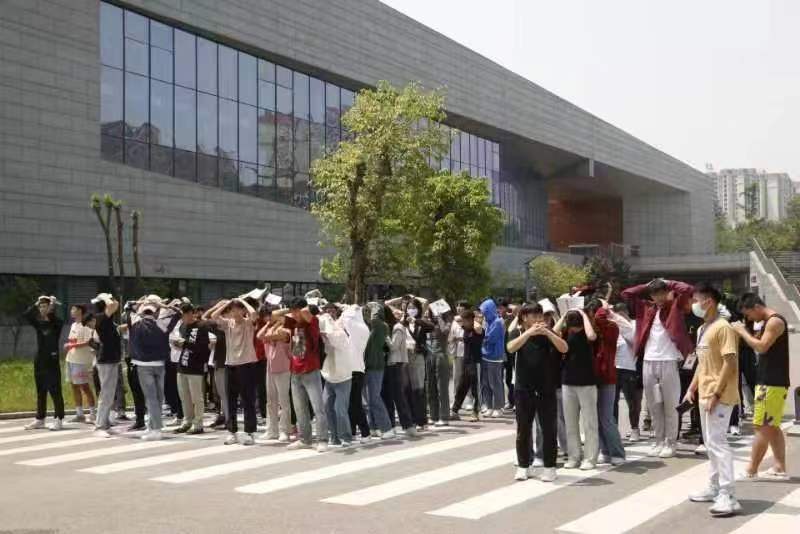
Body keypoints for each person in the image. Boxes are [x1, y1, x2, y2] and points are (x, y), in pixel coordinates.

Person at [684, 283, 741, 516]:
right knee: (710, 444)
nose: (693, 304)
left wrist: (716, 393)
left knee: (718, 443)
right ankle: (714, 487)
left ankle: (729, 494)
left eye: (696, 299)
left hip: (721, 395)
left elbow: (730, 362)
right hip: (705, 394)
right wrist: (691, 388)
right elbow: (702, 363)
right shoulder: (702, 329)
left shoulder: (723, 327)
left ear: (708, 301)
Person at [622, 279, 695, 458]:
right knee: (655, 406)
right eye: (655, 294)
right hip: (648, 361)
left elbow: (687, 289)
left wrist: (668, 282)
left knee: (671, 405)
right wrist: (647, 285)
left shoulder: (675, 306)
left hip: (669, 361)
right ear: (651, 295)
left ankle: (671, 443)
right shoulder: (646, 308)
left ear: (667, 292)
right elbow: (627, 293)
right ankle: (658, 441)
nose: (659, 297)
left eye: (662, 293)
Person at [732, 293, 791, 481]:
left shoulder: (774, 322)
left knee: (761, 427)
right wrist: (747, 329)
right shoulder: (768, 322)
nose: (749, 318)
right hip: (770, 381)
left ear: (757, 307)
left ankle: (751, 469)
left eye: (748, 314)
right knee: (771, 426)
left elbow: (762, 347)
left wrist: (742, 331)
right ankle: (779, 467)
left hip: (771, 382)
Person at [507, 303, 568, 482]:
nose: (538, 319)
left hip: (546, 388)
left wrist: (548, 333)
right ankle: (523, 466)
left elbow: (564, 348)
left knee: (548, 429)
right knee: (523, 430)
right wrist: (528, 333)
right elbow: (510, 348)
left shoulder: (548, 333)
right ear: (524, 317)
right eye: (533, 316)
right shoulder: (517, 332)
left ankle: (550, 467)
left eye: (539, 315)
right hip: (523, 389)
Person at [127, 296, 181, 441]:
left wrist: (141, 302)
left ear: (143, 312)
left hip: (143, 365)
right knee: (158, 398)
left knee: (151, 398)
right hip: (160, 364)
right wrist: (163, 305)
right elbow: (178, 313)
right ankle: (152, 426)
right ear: (155, 312)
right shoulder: (161, 324)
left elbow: (128, 306)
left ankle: (156, 429)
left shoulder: (136, 322)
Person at [208, 298, 260, 446]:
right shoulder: (228, 323)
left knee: (248, 400)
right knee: (230, 400)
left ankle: (250, 432)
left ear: (243, 310)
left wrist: (242, 301)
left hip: (247, 364)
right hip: (231, 365)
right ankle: (232, 432)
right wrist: (227, 303)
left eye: (238, 309)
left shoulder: (248, 323)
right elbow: (213, 316)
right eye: (232, 309)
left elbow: (254, 314)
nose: (235, 312)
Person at [282, 297, 328, 452]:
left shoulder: (312, 321)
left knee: (318, 407)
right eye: (292, 312)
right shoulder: (293, 323)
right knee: (300, 409)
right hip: (295, 371)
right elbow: (275, 315)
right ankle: (305, 439)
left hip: (310, 370)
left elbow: (305, 312)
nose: (294, 315)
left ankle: (322, 439)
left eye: (296, 311)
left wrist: (301, 308)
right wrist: (290, 310)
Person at [557, 309, 599, 470]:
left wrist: (584, 315)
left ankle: (590, 458)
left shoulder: (588, 332)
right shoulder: (566, 333)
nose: (574, 328)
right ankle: (574, 457)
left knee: (590, 423)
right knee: (570, 423)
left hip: (587, 383)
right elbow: (552, 333)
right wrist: (563, 316)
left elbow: (591, 336)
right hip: (568, 382)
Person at [320, 305, 368, 447]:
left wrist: (327, 321)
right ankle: (335, 437)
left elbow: (334, 333)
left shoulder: (341, 335)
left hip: (344, 377)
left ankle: (347, 437)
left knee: (341, 409)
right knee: (327, 407)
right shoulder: (334, 330)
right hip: (330, 376)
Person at [587, 298, 626, 465]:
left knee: (606, 417)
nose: (591, 318)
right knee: (595, 418)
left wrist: (602, 308)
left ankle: (618, 453)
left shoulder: (611, 327)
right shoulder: (587, 330)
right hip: (590, 379)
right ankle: (605, 451)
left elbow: (600, 320)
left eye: (592, 314)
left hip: (607, 378)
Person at [170, 303, 215, 434]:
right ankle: (187, 421)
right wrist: (178, 344)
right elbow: (182, 343)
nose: (182, 318)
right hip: (182, 365)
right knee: (184, 397)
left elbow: (204, 348)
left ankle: (198, 423)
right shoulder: (182, 326)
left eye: (183, 315)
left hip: (195, 366)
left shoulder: (202, 326)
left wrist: (185, 344)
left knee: (197, 398)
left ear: (190, 313)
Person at [23, 295, 65, 431]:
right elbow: (27, 315)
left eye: (45, 306)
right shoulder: (39, 323)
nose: (42, 309)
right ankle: (40, 419)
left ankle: (59, 419)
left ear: (50, 308)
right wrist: (36, 303)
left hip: (52, 360)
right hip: (40, 360)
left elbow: (52, 317)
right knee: (41, 391)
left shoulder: (57, 323)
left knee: (55, 390)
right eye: (40, 307)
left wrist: (52, 304)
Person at [257, 310, 292, 442]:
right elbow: (259, 336)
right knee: (271, 401)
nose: (269, 318)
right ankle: (271, 430)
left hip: (283, 368)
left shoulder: (287, 330)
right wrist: (269, 325)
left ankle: (284, 430)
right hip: (270, 368)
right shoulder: (270, 329)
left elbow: (278, 336)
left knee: (283, 401)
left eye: (272, 316)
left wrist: (277, 324)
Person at [609, 303, 642, 443]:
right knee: (613, 401)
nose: (619, 318)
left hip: (629, 367)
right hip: (614, 367)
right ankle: (614, 430)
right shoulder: (612, 326)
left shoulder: (633, 325)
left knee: (632, 401)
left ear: (626, 313)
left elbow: (635, 340)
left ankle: (635, 428)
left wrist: (622, 326)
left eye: (621, 315)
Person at [364, 303, 396, 438]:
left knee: (375, 398)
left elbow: (375, 320)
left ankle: (387, 428)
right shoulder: (371, 327)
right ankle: (373, 426)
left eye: (368, 311)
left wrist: (374, 307)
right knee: (369, 400)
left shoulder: (382, 326)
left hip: (376, 366)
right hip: (369, 366)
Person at [92, 294, 122, 437]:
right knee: (106, 394)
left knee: (109, 394)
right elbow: (114, 305)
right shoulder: (100, 317)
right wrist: (106, 297)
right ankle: (100, 426)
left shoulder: (107, 319)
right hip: (106, 360)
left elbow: (114, 305)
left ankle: (105, 423)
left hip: (111, 359)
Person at [384, 307, 416, 436]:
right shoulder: (395, 327)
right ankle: (393, 424)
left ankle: (408, 425)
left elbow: (394, 346)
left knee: (398, 395)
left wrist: (385, 336)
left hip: (395, 363)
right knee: (391, 395)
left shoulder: (397, 328)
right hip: (393, 363)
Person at [64, 304, 97, 424]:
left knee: (85, 386)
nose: (71, 311)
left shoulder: (86, 324)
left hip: (82, 360)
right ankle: (79, 414)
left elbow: (88, 342)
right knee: (74, 386)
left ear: (80, 311)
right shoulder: (73, 325)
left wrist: (72, 345)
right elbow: (72, 340)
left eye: (74, 309)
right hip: (71, 358)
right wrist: (70, 345)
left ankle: (93, 413)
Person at [420, 305, 452, 427]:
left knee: (442, 388)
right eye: (430, 312)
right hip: (429, 356)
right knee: (430, 387)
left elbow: (445, 332)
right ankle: (434, 416)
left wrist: (439, 318)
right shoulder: (427, 324)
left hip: (440, 356)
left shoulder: (446, 323)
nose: (431, 314)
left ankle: (444, 416)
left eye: (434, 312)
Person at [451, 310, 483, 422]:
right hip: (466, 362)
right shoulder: (465, 329)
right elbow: (456, 319)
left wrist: (475, 318)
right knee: (462, 387)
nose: (462, 322)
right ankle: (455, 410)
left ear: (470, 320)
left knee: (475, 388)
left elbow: (478, 327)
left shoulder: (478, 330)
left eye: (465, 320)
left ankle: (476, 412)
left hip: (475, 362)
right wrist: (463, 318)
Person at [480, 298, 506, 418]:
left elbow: (490, 338)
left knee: (495, 383)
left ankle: (498, 407)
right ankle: (489, 406)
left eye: (485, 312)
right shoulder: (489, 322)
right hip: (486, 356)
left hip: (495, 357)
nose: (483, 314)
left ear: (489, 310)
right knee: (486, 383)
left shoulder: (497, 322)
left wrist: (482, 338)